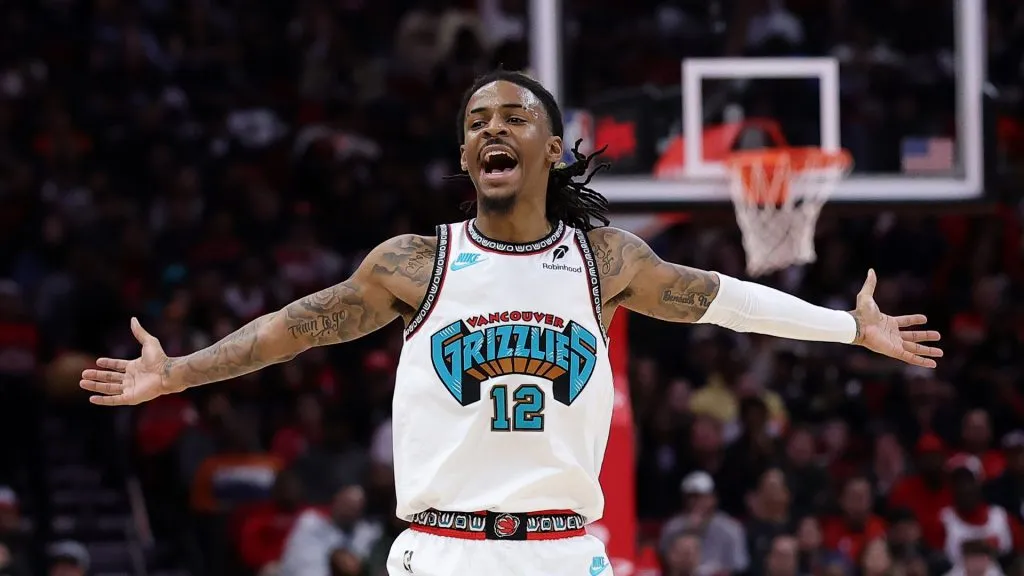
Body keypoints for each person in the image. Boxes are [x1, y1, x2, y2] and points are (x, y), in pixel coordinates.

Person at [79, 69, 943, 576]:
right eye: (477, 124)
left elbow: (722, 296)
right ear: (466, 159)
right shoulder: (413, 263)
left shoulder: (609, 261)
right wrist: (180, 371)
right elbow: (292, 329)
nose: (494, 128)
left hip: (565, 552)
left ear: (555, 148)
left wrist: (846, 328)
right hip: (442, 550)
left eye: (514, 116)